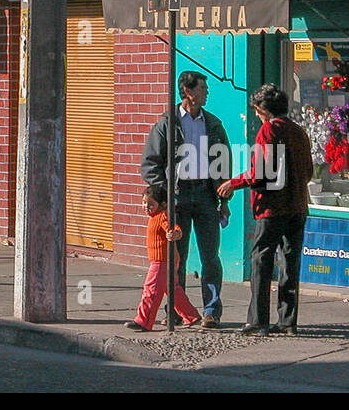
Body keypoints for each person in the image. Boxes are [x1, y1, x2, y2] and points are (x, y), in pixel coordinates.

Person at [217, 82, 314, 336]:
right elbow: (308, 172)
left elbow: (259, 172)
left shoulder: (268, 131)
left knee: (261, 261)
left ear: (263, 110)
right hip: (297, 206)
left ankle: (258, 321)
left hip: (271, 209)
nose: (257, 116)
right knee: (290, 264)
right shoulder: (299, 132)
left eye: (257, 112)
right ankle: (287, 321)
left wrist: (233, 183)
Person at [140, 70, 231, 327]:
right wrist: (164, 194)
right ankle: (176, 311)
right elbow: (150, 164)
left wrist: (224, 199)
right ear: (188, 93)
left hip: (205, 194)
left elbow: (223, 162)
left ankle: (211, 310)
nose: (207, 93)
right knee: (176, 257)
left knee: (210, 256)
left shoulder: (213, 124)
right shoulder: (167, 124)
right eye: (202, 88)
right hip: (176, 197)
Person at [126, 185, 202, 332]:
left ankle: (144, 321)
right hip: (166, 260)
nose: (146, 207)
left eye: (150, 204)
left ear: (163, 205)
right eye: (144, 203)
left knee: (151, 290)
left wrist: (175, 234)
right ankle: (191, 316)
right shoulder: (154, 217)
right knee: (173, 290)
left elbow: (175, 229)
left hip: (161, 261)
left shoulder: (162, 216)